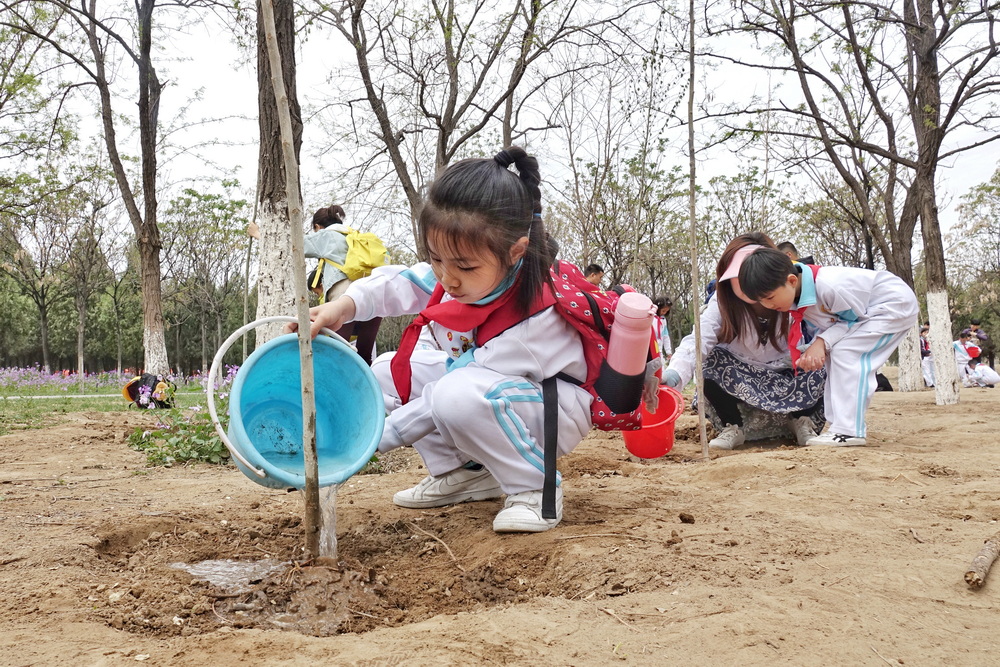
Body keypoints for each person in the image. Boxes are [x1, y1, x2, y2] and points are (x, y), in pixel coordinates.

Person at [287, 146, 591, 534]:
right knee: (386, 371)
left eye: (464, 266)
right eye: (436, 259)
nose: (447, 278)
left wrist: (369, 441)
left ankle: (534, 488)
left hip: (549, 412)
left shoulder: (534, 317)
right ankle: (465, 473)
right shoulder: (464, 274)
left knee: (454, 396)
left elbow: (442, 399)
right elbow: (399, 283)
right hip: (487, 392)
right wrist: (341, 307)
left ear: (515, 252)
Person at [738, 248, 919, 447]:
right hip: (868, 312)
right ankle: (838, 427)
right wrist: (815, 346)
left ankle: (849, 431)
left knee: (847, 353)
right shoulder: (798, 297)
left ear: (792, 281)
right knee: (835, 354)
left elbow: (853, 321)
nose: (767, 305)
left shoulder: (829, 286)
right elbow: (832, 324)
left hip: (892, 305)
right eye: (761, 301)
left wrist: (821, 342)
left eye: (770, 297)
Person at [663, 232, 827, 450]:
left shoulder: (794, 294)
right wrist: (674, 374)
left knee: (822, 354)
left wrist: (820, 344)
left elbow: (826, 327)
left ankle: (801, 420)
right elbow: (699, 340)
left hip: (788, 372)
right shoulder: (722, 302)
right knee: (711, 359)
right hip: (742, 376)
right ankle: (733, 425)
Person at [249, 205, 383, 365]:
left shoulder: (327, 235)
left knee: (338, 355)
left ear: (317, 227)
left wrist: (258, 234)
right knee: (364, 356)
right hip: (374, 298)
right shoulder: (355, 236)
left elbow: (292, 245)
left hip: (346, 298)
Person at [653, 296, 673, 366]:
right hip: (650, 349)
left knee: (661, 367)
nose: (664, 313)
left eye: (666, 311)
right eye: (663, 311)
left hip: (659, 349)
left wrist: (668, 351)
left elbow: (665, 336)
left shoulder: (663, 321)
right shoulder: (650, 318)